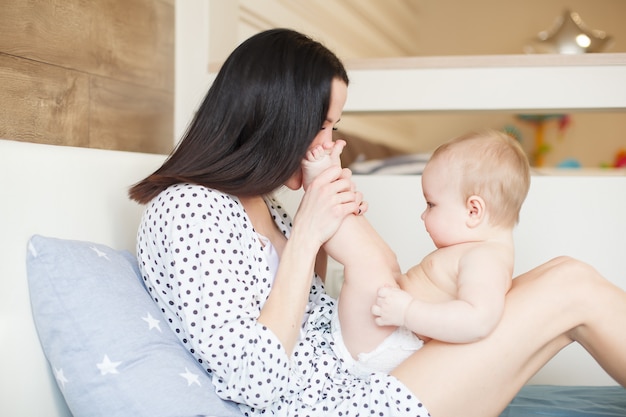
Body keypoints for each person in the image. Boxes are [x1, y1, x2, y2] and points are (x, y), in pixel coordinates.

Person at [129, 28, 626, 417]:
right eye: (321, 126)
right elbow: (253, 380)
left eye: (334, 127)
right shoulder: (186, 209)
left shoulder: (261, 204)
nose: (328, 144)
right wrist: (308, 235)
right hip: (334, 405)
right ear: (276, 120)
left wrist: (320, 232)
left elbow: (302, 316)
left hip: (358, 375)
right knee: (572, 288)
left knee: (564, 273)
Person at [302, 129, 531, 377]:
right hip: (389, 333)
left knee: (369, 261)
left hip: (391, 344)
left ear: (473, 211)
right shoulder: (480, 250)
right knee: (385, 259)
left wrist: (408, 312)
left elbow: (478, 319)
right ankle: (330, 187)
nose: (423, 214)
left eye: (431, 204)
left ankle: (322, 186)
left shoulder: (486, 260)